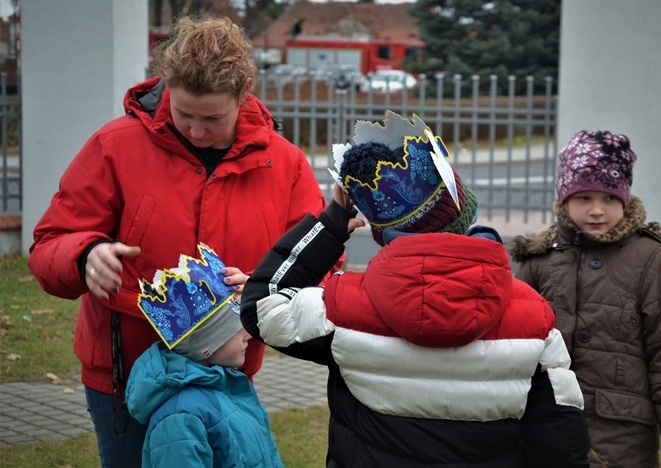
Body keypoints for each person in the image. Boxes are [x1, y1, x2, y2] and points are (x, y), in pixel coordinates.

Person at [27, 15, 333, 467]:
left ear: (243, 92)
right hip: (127, 376)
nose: (195, 130)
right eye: (183, 113)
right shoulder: (115, 146)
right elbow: (51, 242)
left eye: (212, 118)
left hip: (226, 376)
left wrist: (266, 285)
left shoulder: (283, 164)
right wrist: (85, 255)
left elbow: (318, 263)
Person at [241, 110, 591, 467]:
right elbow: (561, 437)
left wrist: (333, 222)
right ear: (462, 211)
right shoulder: (533, 317)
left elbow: (263, 303)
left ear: (383, 231)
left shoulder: (344, 308)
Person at [508, 130, 661, 468]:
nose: (597, 210)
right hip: (545, 425)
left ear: (625, 200)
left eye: (609, 199)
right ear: (564, 199)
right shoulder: (539, 259)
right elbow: (511, 343)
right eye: (584, 198)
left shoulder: (651, 259)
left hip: (622, 436)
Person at [125, 244, 284, 467]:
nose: (248, 335)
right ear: (206, 344)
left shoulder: (230, 384)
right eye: (235, 329)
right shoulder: (180, 419)